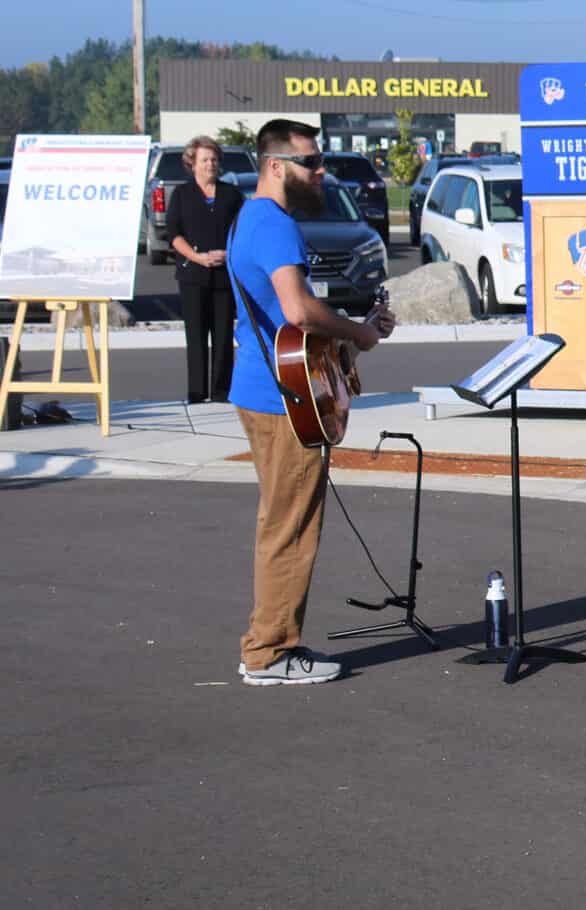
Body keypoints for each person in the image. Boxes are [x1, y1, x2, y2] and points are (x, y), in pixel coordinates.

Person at [225, 119, 396, 686]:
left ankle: (268, 644)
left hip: (266, 387)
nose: (321, 171)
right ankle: (270, 652)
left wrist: (353, 333)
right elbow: (298, 311)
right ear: (276, 166)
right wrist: (360, 331)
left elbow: (287, 323)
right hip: (284, 399)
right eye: (311, 162)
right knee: (291, 527)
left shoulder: (249, 219)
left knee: (281, 520)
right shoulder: (275, 225)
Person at [168, 135, 245, 404]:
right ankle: (197, 391)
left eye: (213, 159)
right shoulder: (182, 195)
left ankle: (221, 390)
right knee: (196, 335)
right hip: (193, 274)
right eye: (204, 160)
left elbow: (243, 230)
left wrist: (229, 253)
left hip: (224, 274)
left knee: (223, 335)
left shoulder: (231, 194)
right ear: (192, 163)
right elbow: (174, 234)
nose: (210, 164)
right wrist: (198, 258)